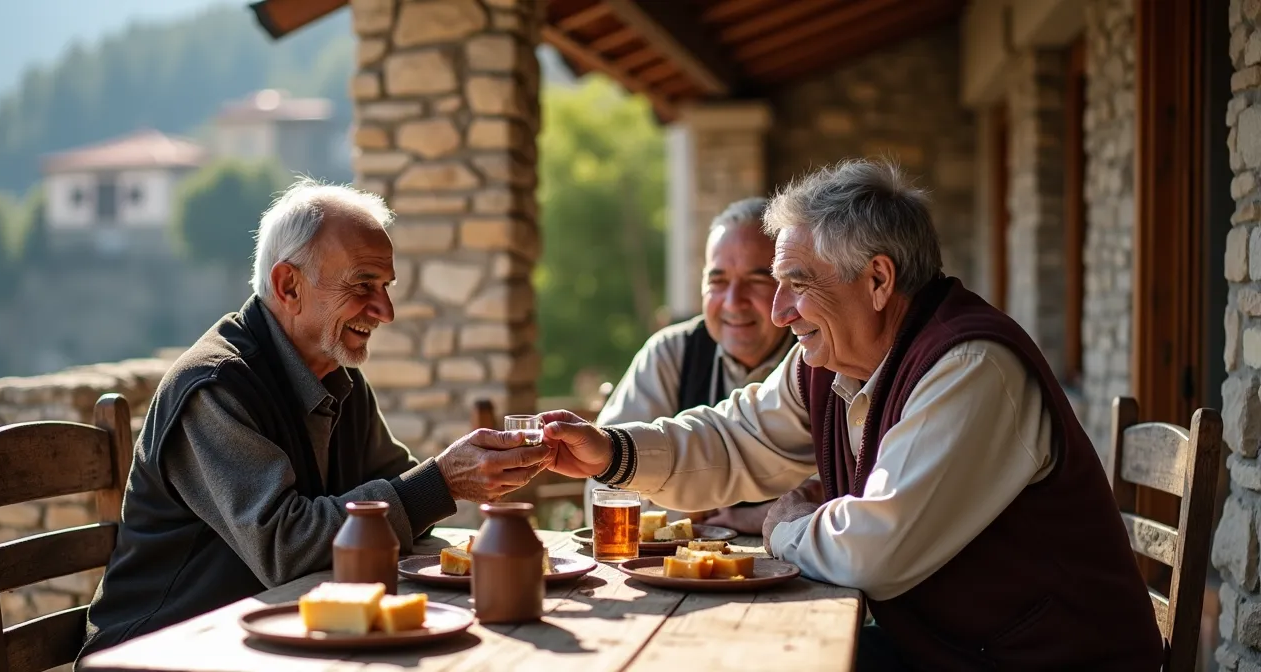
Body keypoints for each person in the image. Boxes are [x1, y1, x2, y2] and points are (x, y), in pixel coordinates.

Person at [538, 159, 1163, 669]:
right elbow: (735, 436)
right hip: (950, 652)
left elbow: (873, 552)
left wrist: (784, 523)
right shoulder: (833, 359)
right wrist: (614, 452)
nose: (779, 311)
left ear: (879, 281)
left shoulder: (971, 367)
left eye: (796, 283)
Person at [80, 179, 550, 656]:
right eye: (363, 285)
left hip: (273, 639)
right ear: (289, 285)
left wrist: (464, 474)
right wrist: (443, 482)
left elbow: (399, 496)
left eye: (385, 287)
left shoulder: (337, 377)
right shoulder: (215, 389)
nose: (385, 311)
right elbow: (287, 549)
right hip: (160, 650)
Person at [582, 198, 794, 533]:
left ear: (789, 286)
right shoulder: (672, 353)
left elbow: (837, 489)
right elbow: (604, 488)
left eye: (757, 280)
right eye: (718, 280)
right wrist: (697, 518)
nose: (733, 301)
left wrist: (756, 518)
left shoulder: (816, 357)